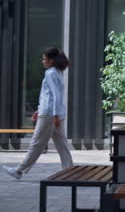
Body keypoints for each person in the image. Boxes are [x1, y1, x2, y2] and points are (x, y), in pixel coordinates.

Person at [3, 47, 74, 179]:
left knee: (36, 143)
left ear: (51, 60)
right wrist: (39, 110)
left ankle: (19, 171)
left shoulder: (50, 73)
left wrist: (55, 115)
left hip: (49, 115)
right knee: (61, 144)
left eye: (44, 59)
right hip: (52, 113)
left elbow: (55, 95)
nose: (42, 61)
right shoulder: (58, 72)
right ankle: (69, 169)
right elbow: (50, 96)